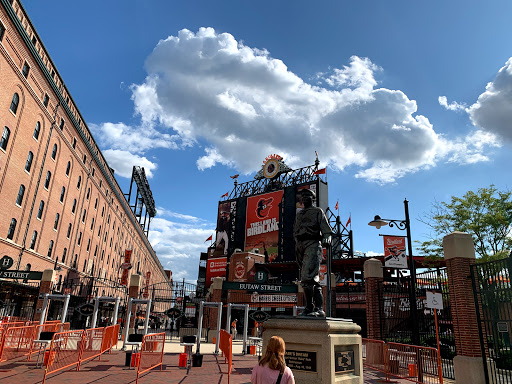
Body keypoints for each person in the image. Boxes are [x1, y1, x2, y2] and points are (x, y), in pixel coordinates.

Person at [293, 188, 332, 317]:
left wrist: (327, 236)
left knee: (307, 276)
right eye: (302, 196)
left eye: (307, 195)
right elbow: (295, 231)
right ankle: (310, 308)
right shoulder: (299, 214)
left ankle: (319, 308)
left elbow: (326, 229)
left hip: (313, 243)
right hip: (300, 245)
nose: (304, 198)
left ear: (313, 198)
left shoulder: (317, 211)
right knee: (308, 280)